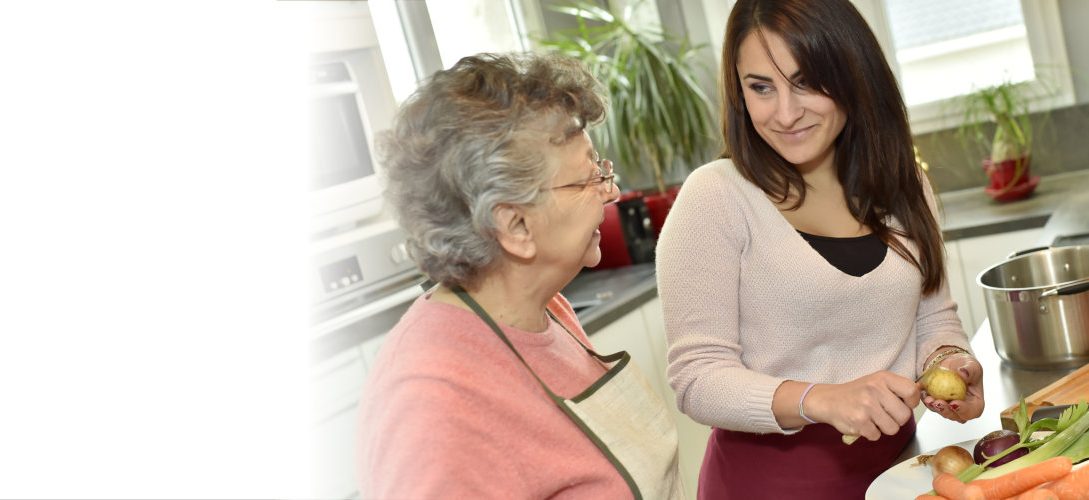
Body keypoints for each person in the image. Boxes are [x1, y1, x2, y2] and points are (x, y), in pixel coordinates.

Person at [655, 0, 986, 496]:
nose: (785, 114)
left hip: (901, 472)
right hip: (768, 485)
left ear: (853, 75)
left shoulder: (904, 186)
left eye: (806, 82)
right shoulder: (716, 197)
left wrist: (951, 361)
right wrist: (821, 400)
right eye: (760, 87)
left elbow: (931, 318)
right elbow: (697, 378)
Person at [356, 52, 683, 500]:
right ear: (515, 227)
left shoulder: (545, 306)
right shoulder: (431, 406)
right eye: (589, 178)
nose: (612, 191)